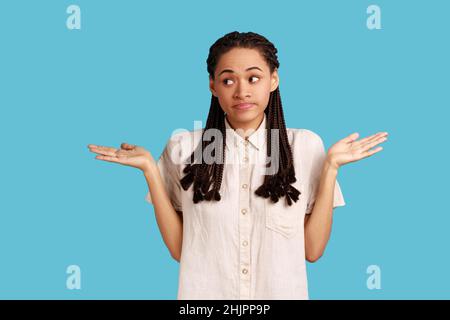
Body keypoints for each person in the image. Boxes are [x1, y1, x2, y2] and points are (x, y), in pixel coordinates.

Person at [88, 31, 388, 299]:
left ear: (273, 79)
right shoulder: (183, 148)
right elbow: (182, 250)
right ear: (212, 86)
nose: (241, 91)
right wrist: (150, 171)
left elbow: (312, 250)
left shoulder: (306, 146)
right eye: (228, 79)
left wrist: (332, 167)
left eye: (253, 78)